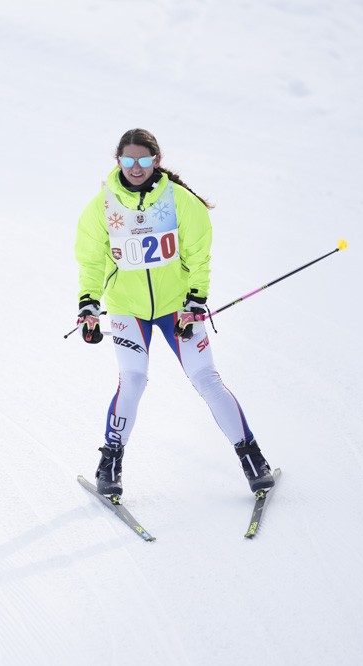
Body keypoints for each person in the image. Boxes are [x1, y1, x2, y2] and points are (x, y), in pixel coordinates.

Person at [74, 128, 275, 498]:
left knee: (206, 379)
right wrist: (88, 304)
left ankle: (253, 458)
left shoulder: (179, 200)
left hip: (177, 309)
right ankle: (110, 464)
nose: (137, 167)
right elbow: (90, 261)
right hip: (127, 309)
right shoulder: (101, 206)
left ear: (157, 160)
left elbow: (199, 256)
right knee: (132, 380)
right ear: (118, 161)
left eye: (144, 159)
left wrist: (195, 302)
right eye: (129, 160)